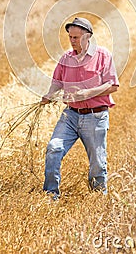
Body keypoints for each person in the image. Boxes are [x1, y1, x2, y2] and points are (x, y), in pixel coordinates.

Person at [41, 17, 119, 200]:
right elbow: (57, 82)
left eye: (76, 37)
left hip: (95, 116)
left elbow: (113, 85)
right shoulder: (66, 58)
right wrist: (49, 94)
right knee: (54, 148)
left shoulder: (103, 56)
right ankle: (50, 194)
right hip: (70, 115)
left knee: (98, 163)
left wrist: (88, 93)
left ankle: (98, 198)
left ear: (88, 37)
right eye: (70, 37)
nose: (72, 41)